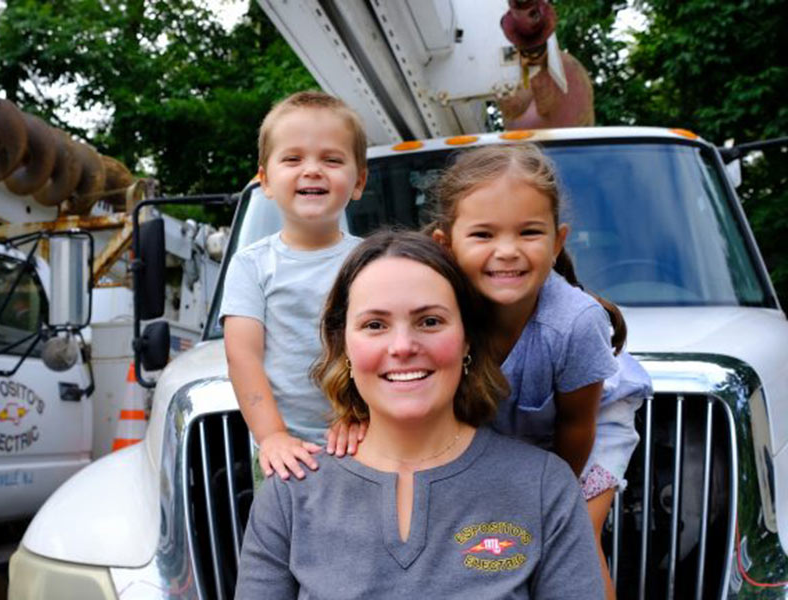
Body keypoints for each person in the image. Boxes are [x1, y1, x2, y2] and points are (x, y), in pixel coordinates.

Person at [235, 230, 604, 599]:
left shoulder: (544, 488)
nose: (403, 347)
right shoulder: (290, 497)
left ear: (467, 340)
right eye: (374, 325)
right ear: (343, 344)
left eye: (429, 321)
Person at [430, 144, 651, 599]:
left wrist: (550, 496)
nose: (507, 252)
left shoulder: (575, 323)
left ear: (558, 241)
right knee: (484, 548)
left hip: (588, 432)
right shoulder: (433, 311)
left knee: (574, 541)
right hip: (502, 436)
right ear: (445, 245)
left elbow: (577, 425)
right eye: (483, 235)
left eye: (529, 232)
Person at [221, 91, 368, 481]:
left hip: (368, 438)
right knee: (285, 540)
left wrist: (363, 416)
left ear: (359, 181)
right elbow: (243, 357)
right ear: (266, 181)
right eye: (293, 158)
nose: (313, 170)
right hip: (285, 453)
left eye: (332, 159)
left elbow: (389, 349)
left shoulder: (373, 261)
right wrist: (272, 436)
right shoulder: (251, 265)